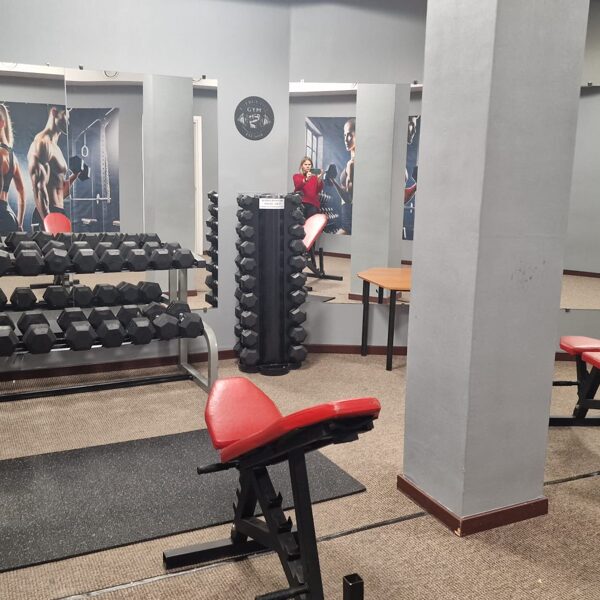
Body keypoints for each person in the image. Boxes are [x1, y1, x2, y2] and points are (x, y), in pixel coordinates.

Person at [27, 106, 77, 231]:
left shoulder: (56, 148)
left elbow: (61, 192)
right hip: (47, 214)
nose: (68, 122)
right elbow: (39, 188)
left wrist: (76, 175)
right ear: (54, 112)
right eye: (66, 115)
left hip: (59, 212)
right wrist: (48, 222)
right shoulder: (42, 143)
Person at [0, 103, 26, 233]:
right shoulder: (12, 157)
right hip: (10, 217)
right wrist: (19, 223)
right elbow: (22, 191)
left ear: (1, 124)